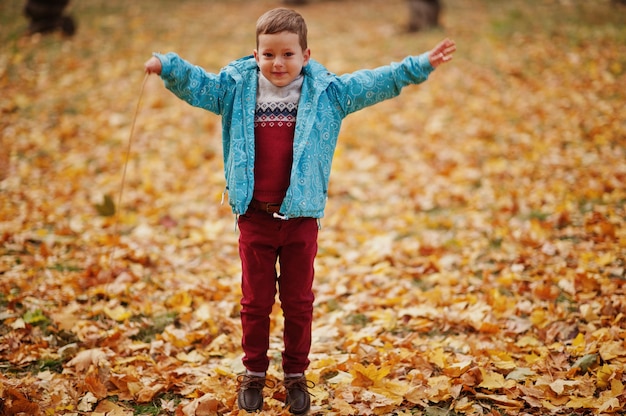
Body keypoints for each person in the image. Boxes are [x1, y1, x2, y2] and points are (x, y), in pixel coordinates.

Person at [144, 7, 455, 414]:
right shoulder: (236, 89)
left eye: (288, 54)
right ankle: (254, 371)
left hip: (301, 219)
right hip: (255, 216)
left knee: (298, 301)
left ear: (306, 55)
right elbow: (197, 84)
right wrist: (167, 65)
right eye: (269, 54)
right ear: (255, 55)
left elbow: (375, 81)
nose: (278, 63)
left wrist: (419, 65)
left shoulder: (328, 93)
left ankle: (295, 375)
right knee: (255, 302)